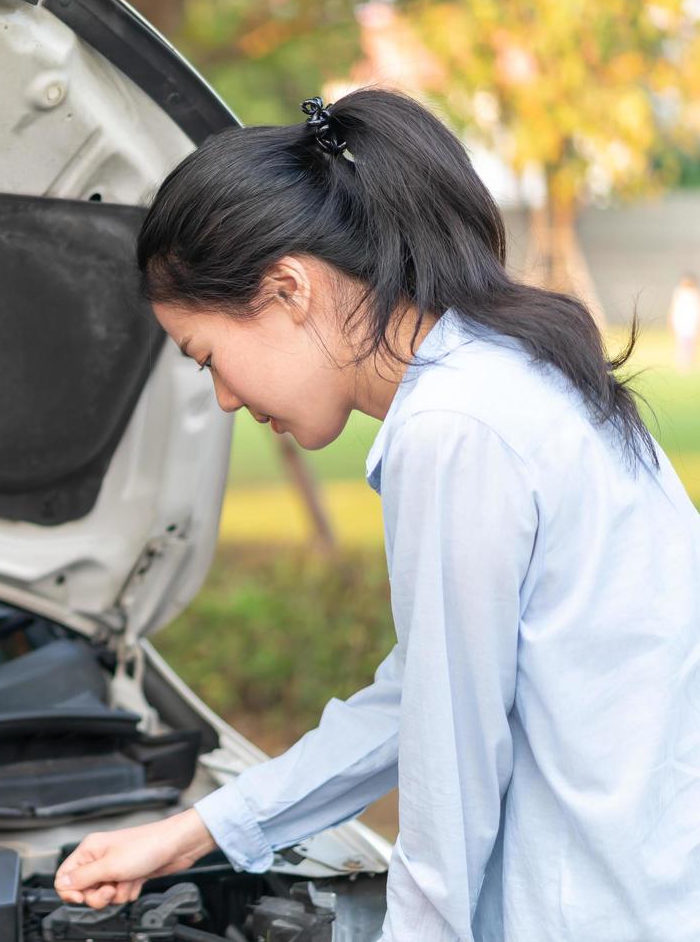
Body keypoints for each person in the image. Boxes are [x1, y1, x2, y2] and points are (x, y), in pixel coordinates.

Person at [54, 90, 700, 941]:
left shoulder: (453, 428)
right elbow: (422, 694)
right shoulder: (510, 374)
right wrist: (193, 832)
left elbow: (449, 778)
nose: (221, 397)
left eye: (207, 356)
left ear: (288, 288)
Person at [671, 273, 699, 371]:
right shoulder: (679, 292)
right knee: (682, 343)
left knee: (690, 343)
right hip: (681, 322)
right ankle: (682, 363)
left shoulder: (694, 293)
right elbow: (674, 308)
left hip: (691, 322)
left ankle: (690, 361)